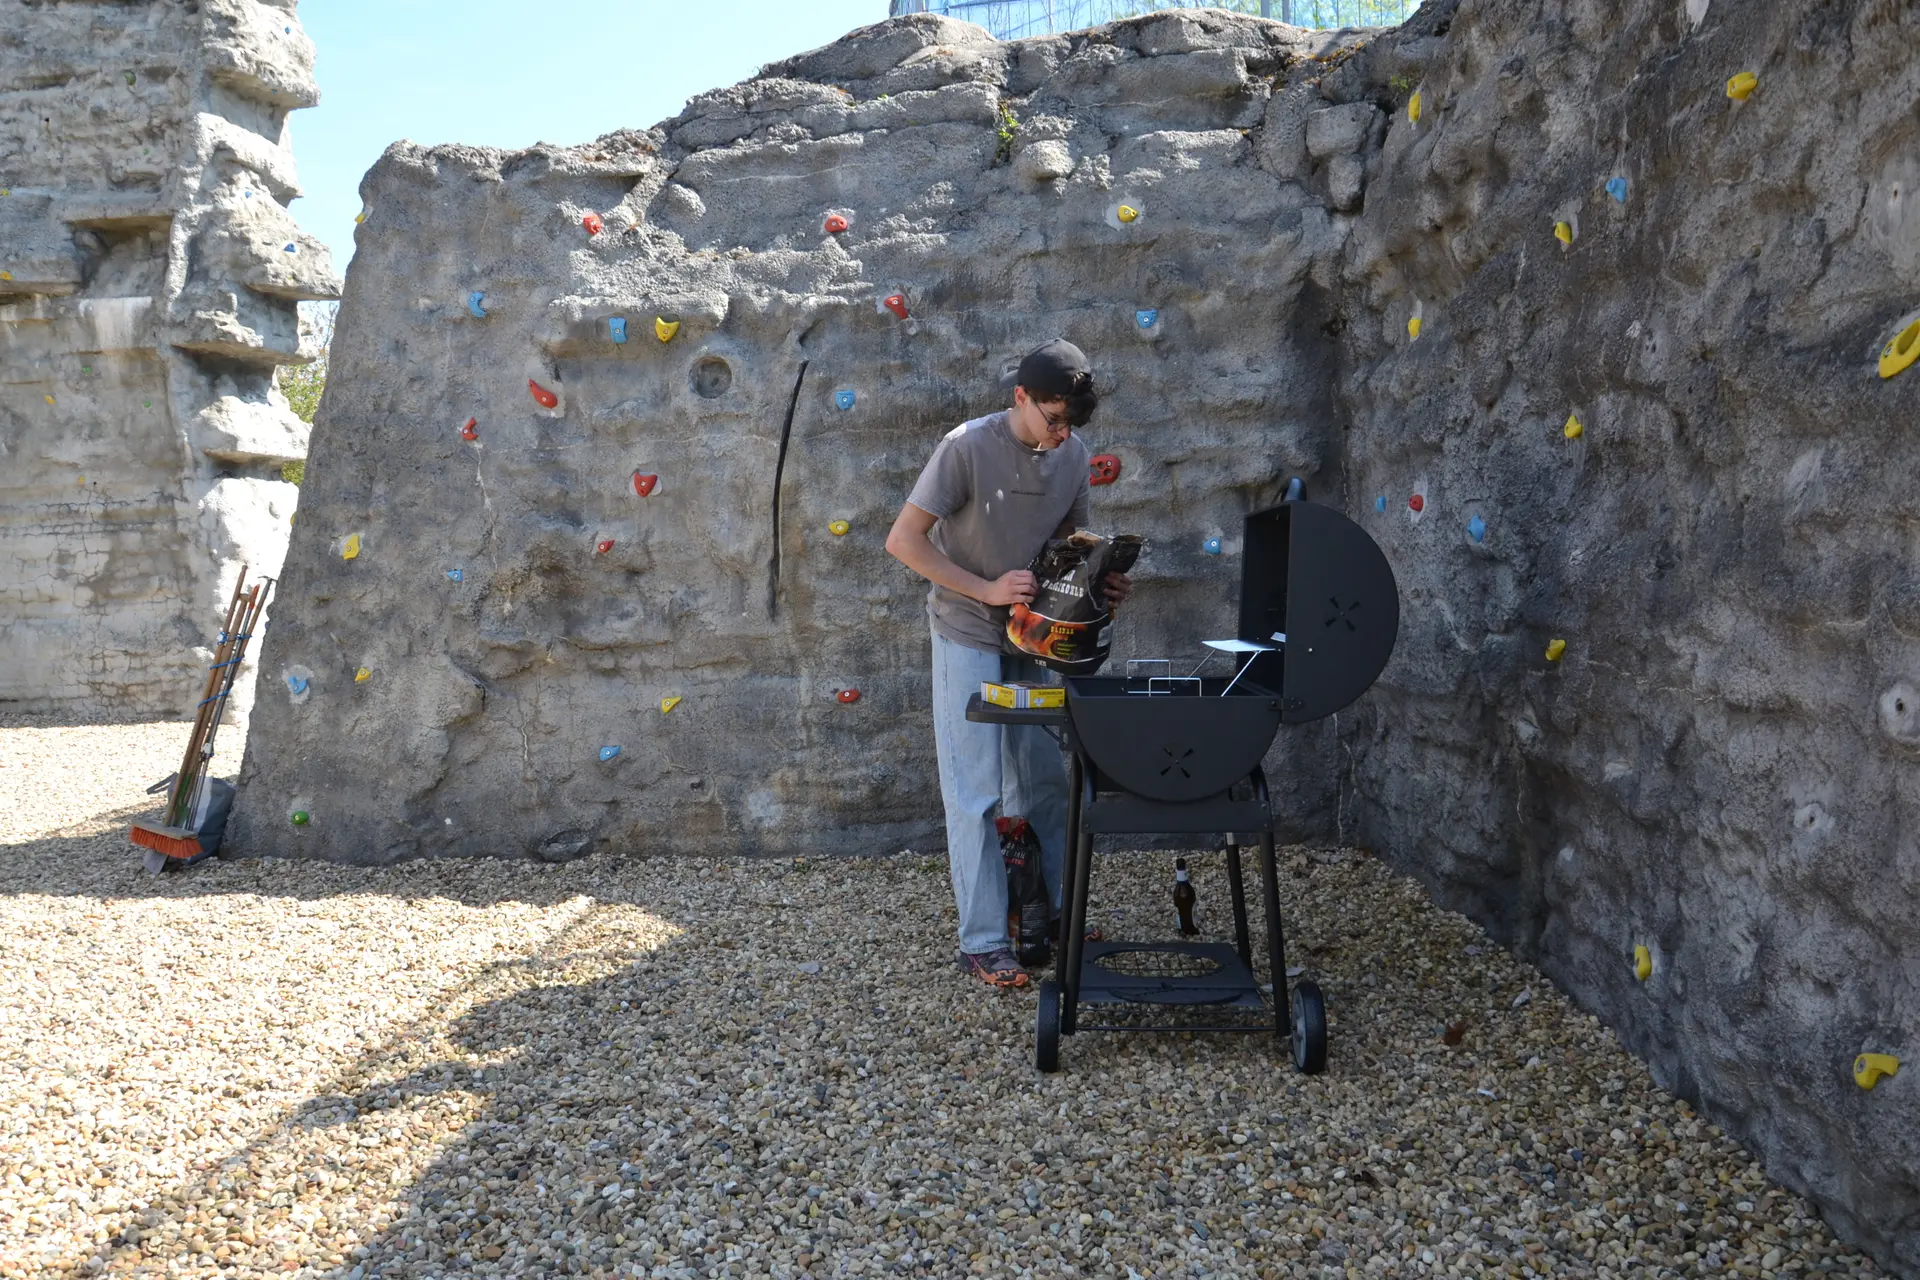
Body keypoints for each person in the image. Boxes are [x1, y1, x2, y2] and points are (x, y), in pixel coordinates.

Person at [885, 338, 1133, 990]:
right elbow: (903, 541)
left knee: (1045, 783)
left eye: (1070, 424)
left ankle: (1054, 920)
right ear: (1019, 396)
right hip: (966, 631)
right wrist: (987, 588)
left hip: (1037, 639)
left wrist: (1102, 582)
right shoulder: (964, 447)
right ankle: (986, 943)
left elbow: (1069, 553)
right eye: (1052, 419)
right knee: (976, 790)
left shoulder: (1073, 455)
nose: (1061, 436)